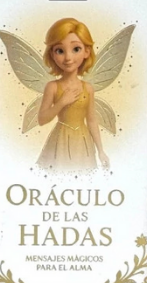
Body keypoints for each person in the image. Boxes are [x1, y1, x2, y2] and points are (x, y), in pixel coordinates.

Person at [37, 18, 109, 171]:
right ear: (52, 54)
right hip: (60, 141)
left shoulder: (88, 88)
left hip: (83, 141)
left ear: (86, 52)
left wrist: (101, 151)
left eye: (76, 49)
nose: (68, 58)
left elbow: (92, 120)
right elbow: (42, 119)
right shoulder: (52, 87)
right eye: (60, 51)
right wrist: (62, 102)